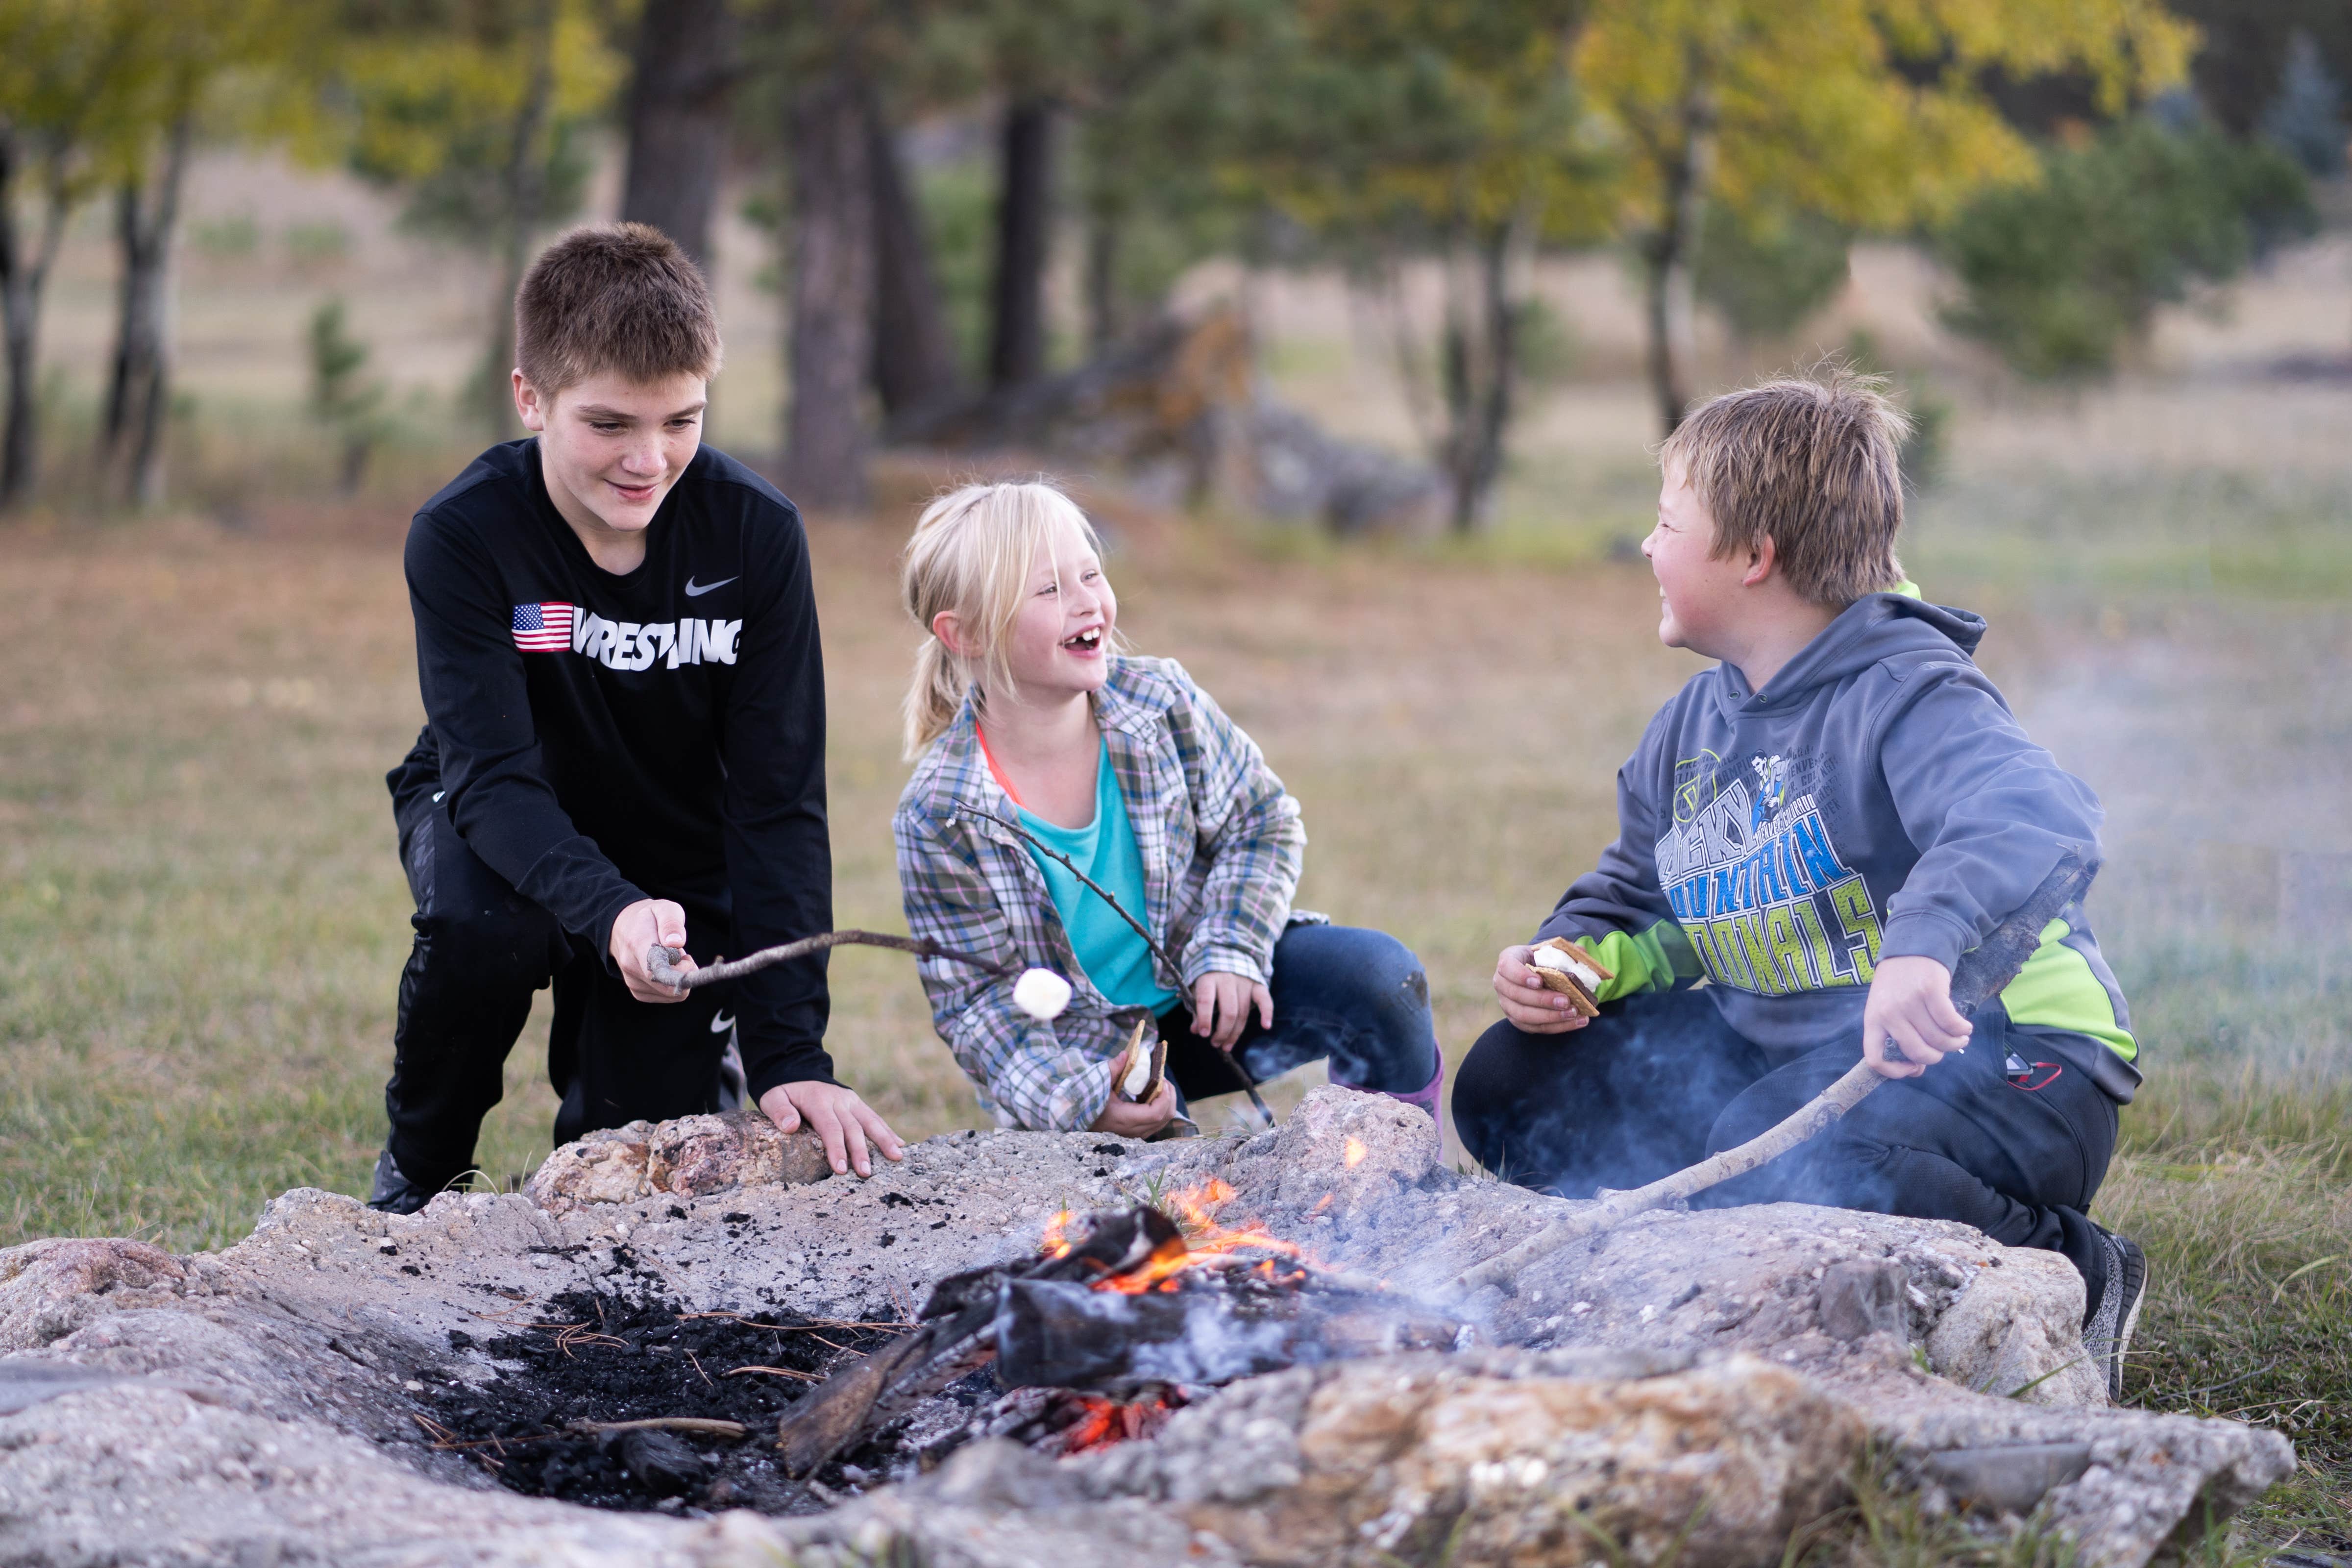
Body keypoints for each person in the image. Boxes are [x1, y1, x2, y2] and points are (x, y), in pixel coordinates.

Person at [1451, 368, 2148, 1397]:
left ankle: (2074, 1268)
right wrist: (1568, 958)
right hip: (1798, 1049)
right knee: (1509, 1087)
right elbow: (1639, 893)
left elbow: (2032, 815)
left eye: (1665, 523)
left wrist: (1924, 948)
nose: (1646, 546)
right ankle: (1704, 1257)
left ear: (1753, 558)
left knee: (1782, 1157)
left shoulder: (1908, 687)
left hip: (2009, 1057)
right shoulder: (1690, 727)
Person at [369, 223, 903, 1214]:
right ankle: (418, 1175)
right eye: (609, 424)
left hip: (679, 850)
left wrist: (792, 1051)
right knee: (479, 927)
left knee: (631, 1169)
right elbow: (489, 775)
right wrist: (607, 907)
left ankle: (681, 1089)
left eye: (682, 421)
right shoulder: (463, 534)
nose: (650, 460)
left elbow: (779, 803)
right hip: (500, 812)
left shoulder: (757, 534)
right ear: (530, 395)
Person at [891, 481, 1444, 1137]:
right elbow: (977, 1005)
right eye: (1049, 591)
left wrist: (1231, 948)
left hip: (1210, 990)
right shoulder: (940, 813)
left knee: (1381, 980)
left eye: (1090, 574)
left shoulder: (1159, 701)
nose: (1087, 602)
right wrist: (1082, 1101)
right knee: (1171, 1193)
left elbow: (1260, 822)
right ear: (967, 634)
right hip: (1086, 1055)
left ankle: (1397, 1187)